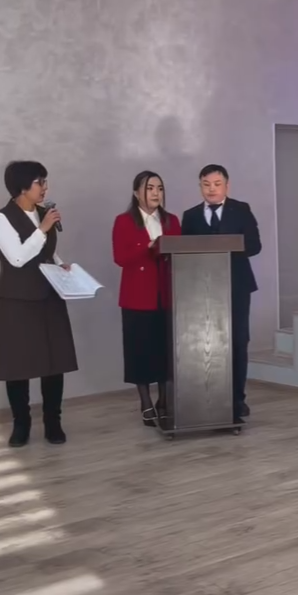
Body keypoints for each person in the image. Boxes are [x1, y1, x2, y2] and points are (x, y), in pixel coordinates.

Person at [0, 160, 78, 448]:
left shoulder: (43, 214)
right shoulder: (2, 218)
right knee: (18, 365)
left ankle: (53, 422)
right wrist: (43, 228)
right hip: (17, 300)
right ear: (22, 187)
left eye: (45, 181)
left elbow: (46, 251)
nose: (45, 188)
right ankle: (21, 424)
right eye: (40, 182)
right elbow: (17, 258)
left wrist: (60, 264)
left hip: (48, 296)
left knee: (54, 363)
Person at [181, 164, 262, 424]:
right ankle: (209, 397)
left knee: (238, 341)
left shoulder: (241, 209)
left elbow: (255, 245)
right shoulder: (190, 216)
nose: (211, 189)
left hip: (237, 285)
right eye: (206, 184)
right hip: (202, 289)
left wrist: (227, 245)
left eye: (217, 184)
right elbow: (184, 251)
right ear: (200, 186)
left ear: (227, 185)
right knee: (207, 343)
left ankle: (238, 398)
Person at [112, 170, 181, 427]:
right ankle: (145, 402)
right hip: (137, 296)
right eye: (150, 188)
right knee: (139, 351)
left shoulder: (172, 220)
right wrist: (148, 246)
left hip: (167, 294)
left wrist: (163, 247)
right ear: (136, 192)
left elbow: (180, 252)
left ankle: (164, 401)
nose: (155, 193)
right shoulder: (124, 221)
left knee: (164, 350)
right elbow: (120, 257)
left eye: (159, 188)